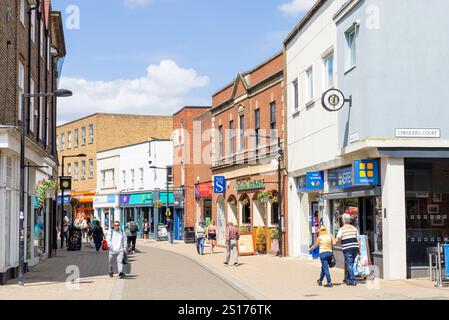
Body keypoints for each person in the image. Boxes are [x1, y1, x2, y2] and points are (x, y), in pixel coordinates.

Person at [334, 213, 361, 286]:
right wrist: (360, 250)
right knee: (350, 264)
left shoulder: (341, 229)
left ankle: (353, 280)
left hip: (347, 249)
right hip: (355, 248)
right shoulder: (354, 228)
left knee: (349, 264)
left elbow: (338, 238)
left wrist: (334, 242)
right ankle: (347, 278)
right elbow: (358, 240)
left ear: (343, 220)